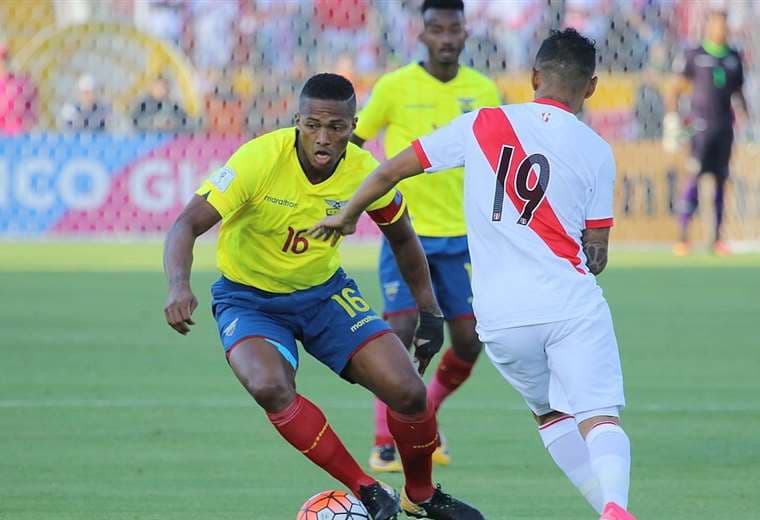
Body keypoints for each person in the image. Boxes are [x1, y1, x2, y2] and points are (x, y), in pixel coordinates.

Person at [311, 30, 636, 520]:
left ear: (533, 78)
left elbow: (390, 170)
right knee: (598, 416)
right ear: (590, 87)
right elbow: (596, 252)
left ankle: (606, 511)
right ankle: (615, 508)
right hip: (567, 304)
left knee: (550, 414)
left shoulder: (482, 124)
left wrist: (348, 214)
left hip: (502, 319)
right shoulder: (596, 150)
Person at [163, 73, 483, 520]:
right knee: (269, 386)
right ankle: (367, 489)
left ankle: (421, 495)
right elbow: (186, 224)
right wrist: (179, 284)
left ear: (353, 127)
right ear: (297, 121)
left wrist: (429, 309)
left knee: (409, 392)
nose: (323, 137)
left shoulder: (364, 172)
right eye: (313, 124)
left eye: (336, 127)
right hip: (249, 300)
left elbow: (404, 239)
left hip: (325, 296)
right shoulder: (259, 159)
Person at [350, 0, 501, 473]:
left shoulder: (484, 90)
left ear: (465, 32)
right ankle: (386, 439)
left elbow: (501, 161)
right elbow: (355, 144)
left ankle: (426, 411)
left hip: (461, 238)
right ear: (422, 35)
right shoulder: (394, 86)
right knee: (399, 334)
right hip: (405, 233)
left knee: (469, 340)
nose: (446, 38)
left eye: (454, 29)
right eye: (437, 29)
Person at [665, 10, 749, 256]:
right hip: (699, 128)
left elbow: (740, 94)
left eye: (724, 25)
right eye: (716, 25)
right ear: (708, 27)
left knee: (721, 180)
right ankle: (683, 237)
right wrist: (672, 120)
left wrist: (750, 124)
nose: (720, 30)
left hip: (725, 128)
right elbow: (675, 88)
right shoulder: (695, 54)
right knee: (694, 176)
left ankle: (717, 238)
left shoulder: (734, 57)